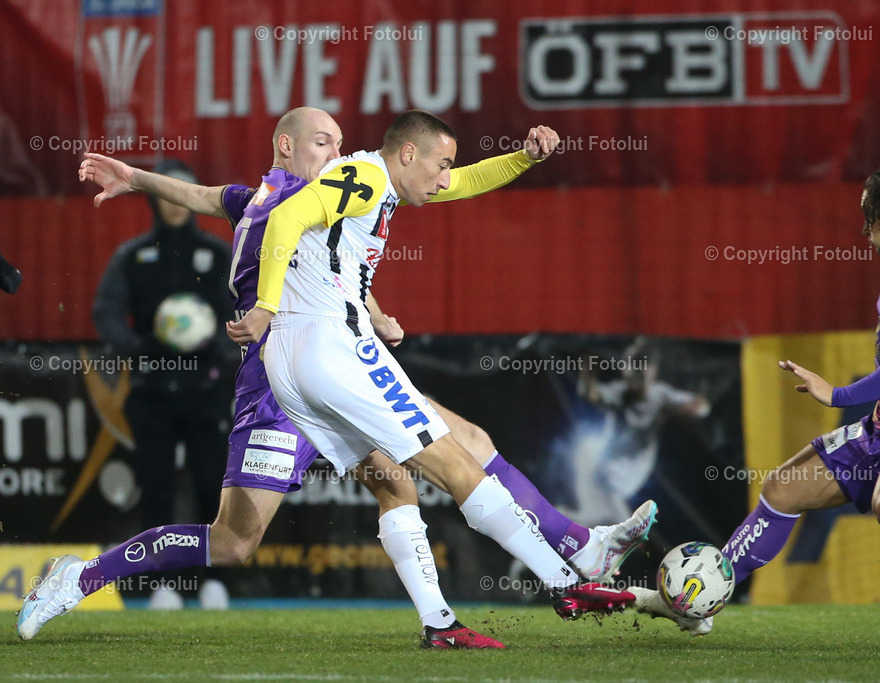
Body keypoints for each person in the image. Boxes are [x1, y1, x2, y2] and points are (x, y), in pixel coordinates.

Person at [20, 108, 646, 647]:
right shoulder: (300, 194)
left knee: (419, 468)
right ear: (287, 147)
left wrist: (134, 178)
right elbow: (246, 218)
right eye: (325, 141)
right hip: (283, 379)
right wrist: (273, 305)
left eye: (341, 142)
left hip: (303, 360)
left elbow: (246, 215)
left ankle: (473, 606)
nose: (338, 151)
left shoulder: (304, 198)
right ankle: (79, 577)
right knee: (239, 541)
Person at [224, 108, 638, 619]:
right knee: (456, 462)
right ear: (407, 154)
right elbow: (286, 221)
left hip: (290, 358)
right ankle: (567, 579)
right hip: (330, 342)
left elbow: (462, 183)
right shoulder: (367, 178)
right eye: (439, 165)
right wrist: (266, 304)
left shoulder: (375, 183)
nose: (445, 180)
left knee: (399, 478)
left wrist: (524, 159)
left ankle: (442, 620)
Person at [636, 155, 880, 650]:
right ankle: (701, 600)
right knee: (783, 490)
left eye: (870, 214)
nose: (864, 226)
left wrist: (838, 395)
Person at [91, 158, 237, 610]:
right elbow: (106, 313)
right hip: (151, 392)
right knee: (156, 489)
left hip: (207, 393)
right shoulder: (133, 255)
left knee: (212, 484)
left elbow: (247, 307)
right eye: (166, 192)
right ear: (156, 199)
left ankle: (214, 583)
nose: (175, 204)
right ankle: (161, 585)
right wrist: (139, 346)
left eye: (184, 192)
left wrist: (218, 343)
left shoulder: (217, 254)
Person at [573, 340, 710, 525]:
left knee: (607, 522)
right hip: (604, 467)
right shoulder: (619, 392)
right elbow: (592, 395)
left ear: (651, 372)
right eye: (630, 370)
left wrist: (687, 409)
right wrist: (587, 375)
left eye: (639, 371)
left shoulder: (660, 395)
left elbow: (701, 407)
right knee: (597, 515)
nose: (633, 377)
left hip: (630, 473)